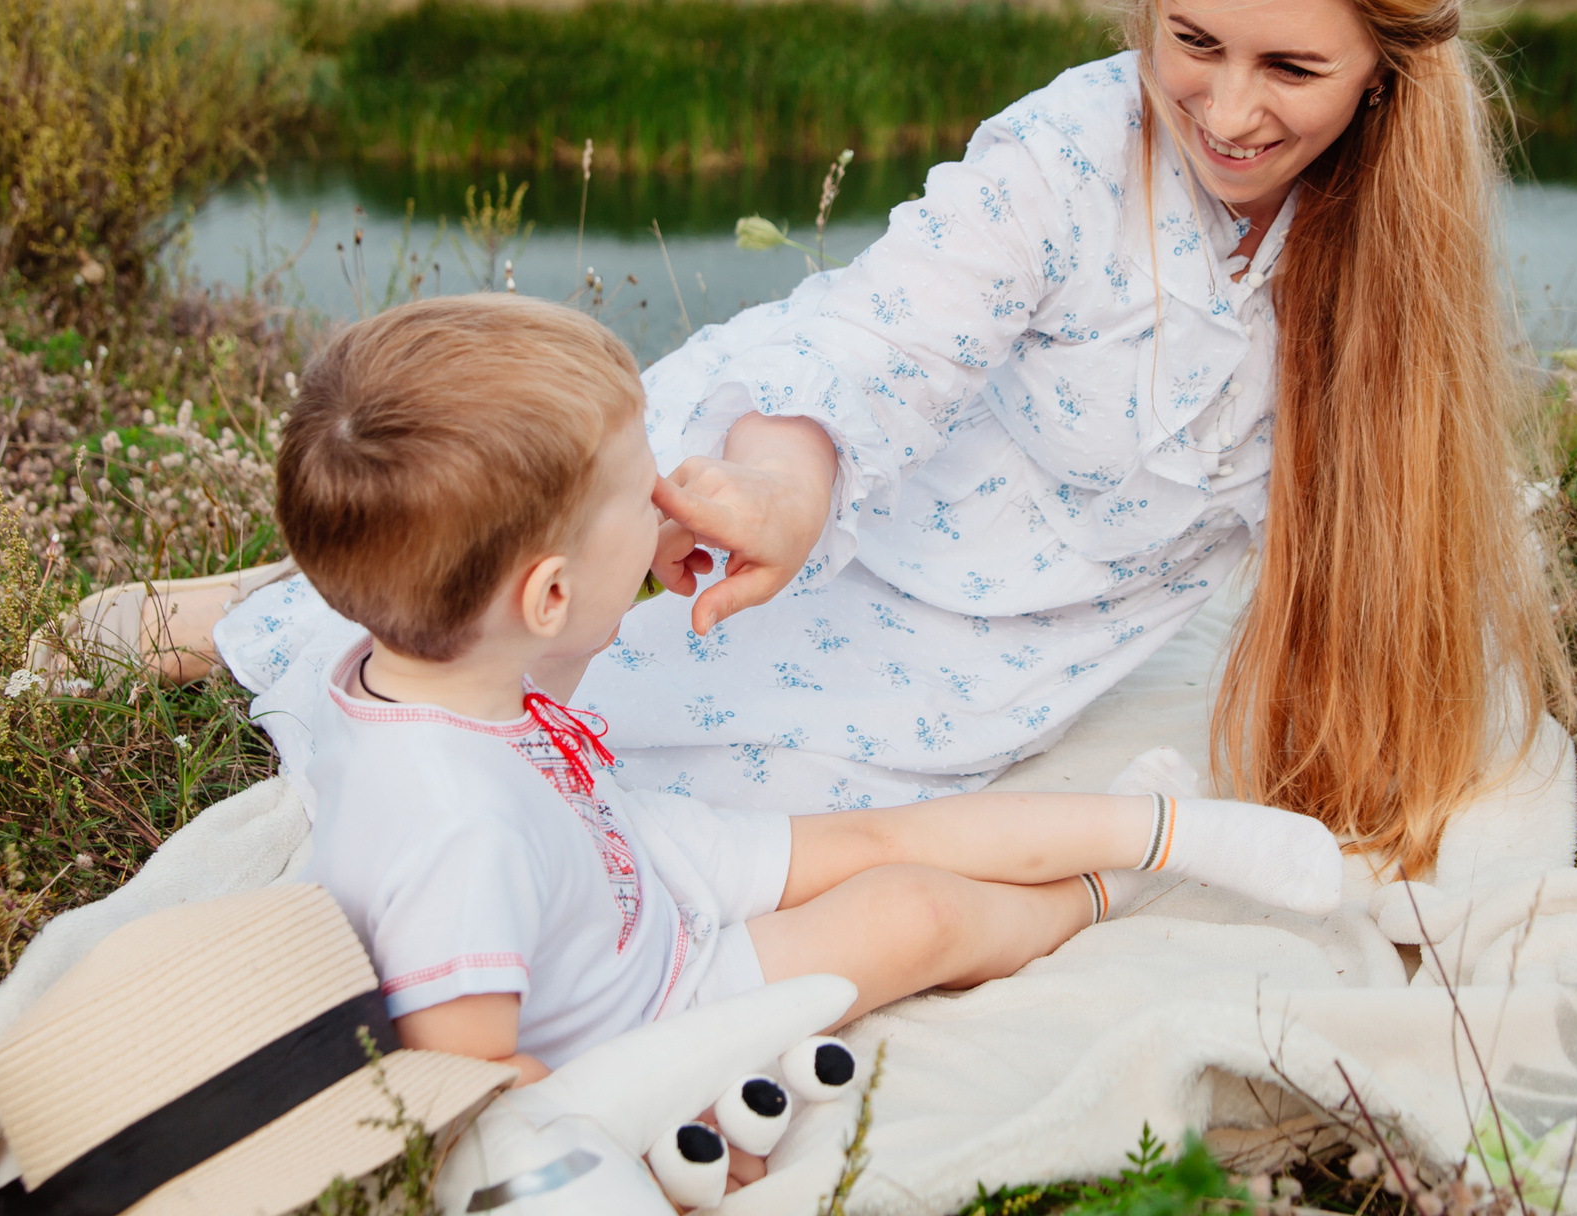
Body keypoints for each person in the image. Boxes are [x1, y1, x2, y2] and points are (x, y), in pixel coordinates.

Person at [120, 0, 1567, 887]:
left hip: (1017, 645)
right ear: (1148, 0)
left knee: (748, 795)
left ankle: (290, 595)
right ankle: (253, 605)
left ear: (1383, 70)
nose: (1231, 109)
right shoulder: (1068, 152)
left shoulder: (1398, 234)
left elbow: (1396, 495)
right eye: (1194, 42)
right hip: (850, 519)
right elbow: (886, 338)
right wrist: (783, 485)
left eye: (1292, 67)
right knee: (494, 658)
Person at [276, 295, 1347, 1084]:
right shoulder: (459, 837)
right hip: (649, 1001)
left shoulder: (426, 661)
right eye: (641, 495)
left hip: (622, 867)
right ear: (548, 593)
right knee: (909, 911)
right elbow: (471, 1082)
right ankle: (1103, 892)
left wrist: (629, 559)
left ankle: (1162, 828)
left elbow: (539, 667)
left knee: (872, 834)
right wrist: (659, 1114)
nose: (671, 499)